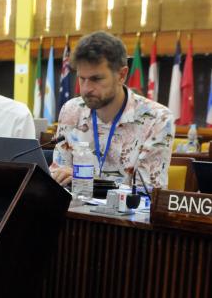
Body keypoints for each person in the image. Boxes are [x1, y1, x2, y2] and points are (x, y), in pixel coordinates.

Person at [50, 31, 174, 189]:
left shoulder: (157, 119)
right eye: (82, 78)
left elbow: (148, 193)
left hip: (124, 213)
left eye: (96, 79)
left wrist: (89, 182)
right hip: (72, 211)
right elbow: (58, 174)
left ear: (121, 75)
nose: (86, 89)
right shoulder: (71, 110)